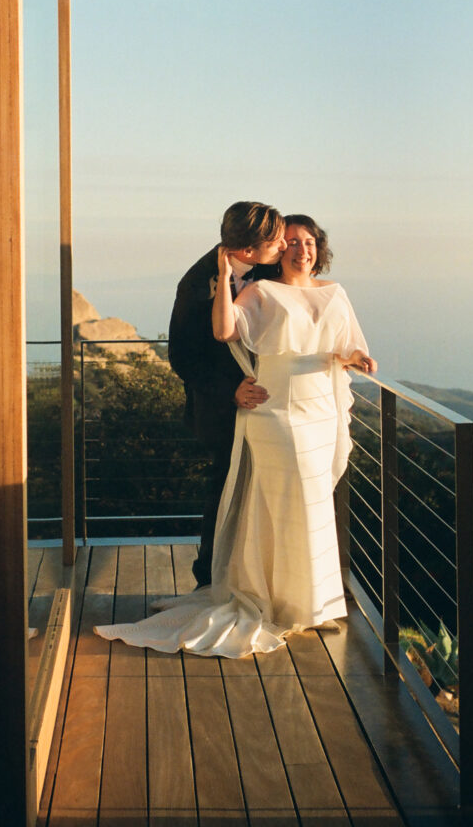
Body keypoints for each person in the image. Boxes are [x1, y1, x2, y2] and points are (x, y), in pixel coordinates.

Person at [95, 214, 376, 657]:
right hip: (270, 406)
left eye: (308, 242)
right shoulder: (216, 284)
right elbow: (200, 348)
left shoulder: (330, 290)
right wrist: (232, 385)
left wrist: (356, 356)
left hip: (321, 409)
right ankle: (258, 592)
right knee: (265, 493)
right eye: (288, 242)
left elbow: (338, 342)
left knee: (305, 500)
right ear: (263, 247)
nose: (299, 249)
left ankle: (312, 601)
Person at [167, 201, 286, 586]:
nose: (284, 246)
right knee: (224, 490)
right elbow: (182, 356)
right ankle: (210, 577)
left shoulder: (269, 268)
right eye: (276, 241)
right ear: (247, 251)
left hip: (270, 402)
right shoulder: (196, 284)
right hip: (221, 408)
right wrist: (230, 390)